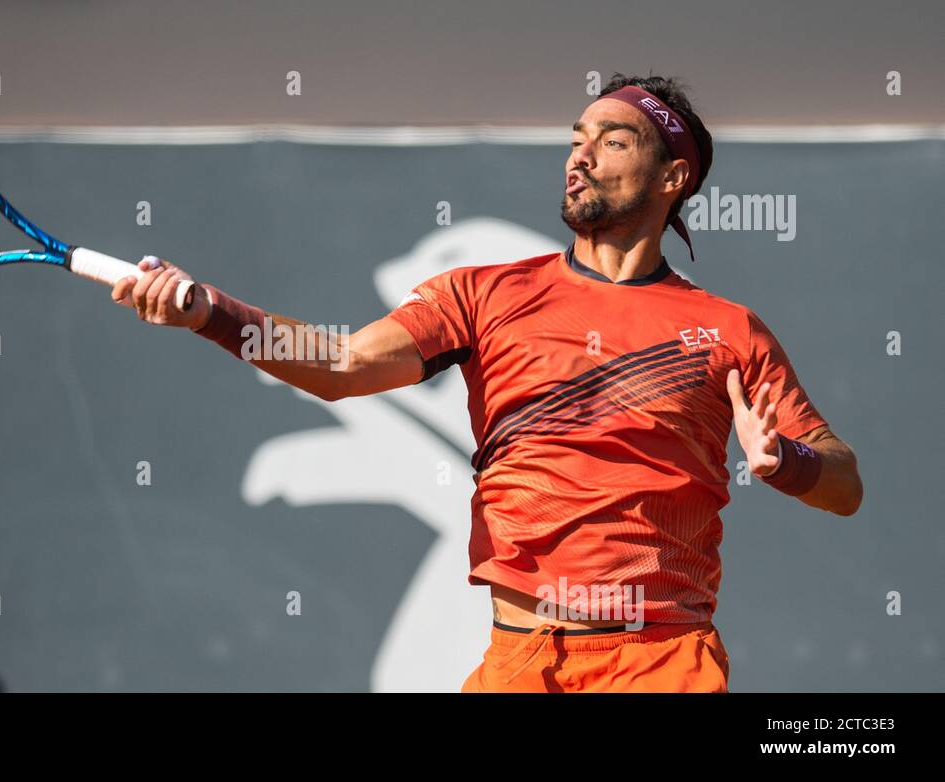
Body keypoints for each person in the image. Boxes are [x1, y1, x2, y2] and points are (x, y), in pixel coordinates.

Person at [111, 73, 863, 692]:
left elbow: (844, 485)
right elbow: (341, 365)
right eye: (576, 141)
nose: (581, 157)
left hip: (662, 665)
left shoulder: (729, 330)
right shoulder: (483, 294)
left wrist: (786, 463)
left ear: (674, 177)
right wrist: (212, 312)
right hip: (521, 662)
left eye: (613, 140)